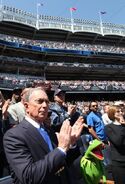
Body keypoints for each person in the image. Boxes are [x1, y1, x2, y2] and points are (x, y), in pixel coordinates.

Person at [3, 88, 84, 184]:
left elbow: (61, 161)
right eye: (40, 101)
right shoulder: (14, 136)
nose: (45, 105)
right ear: (26, 106)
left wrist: (70, 143)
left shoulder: (49, 130)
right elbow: (29, 176)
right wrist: (61, 148)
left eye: (47, 102)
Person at [104, 105, 125, 184]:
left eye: (121, 111)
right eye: (118, 111)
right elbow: (118, 142)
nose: (121, 113)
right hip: (118, 162)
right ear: (112, 113)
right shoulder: (108, 127)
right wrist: (123, 126)